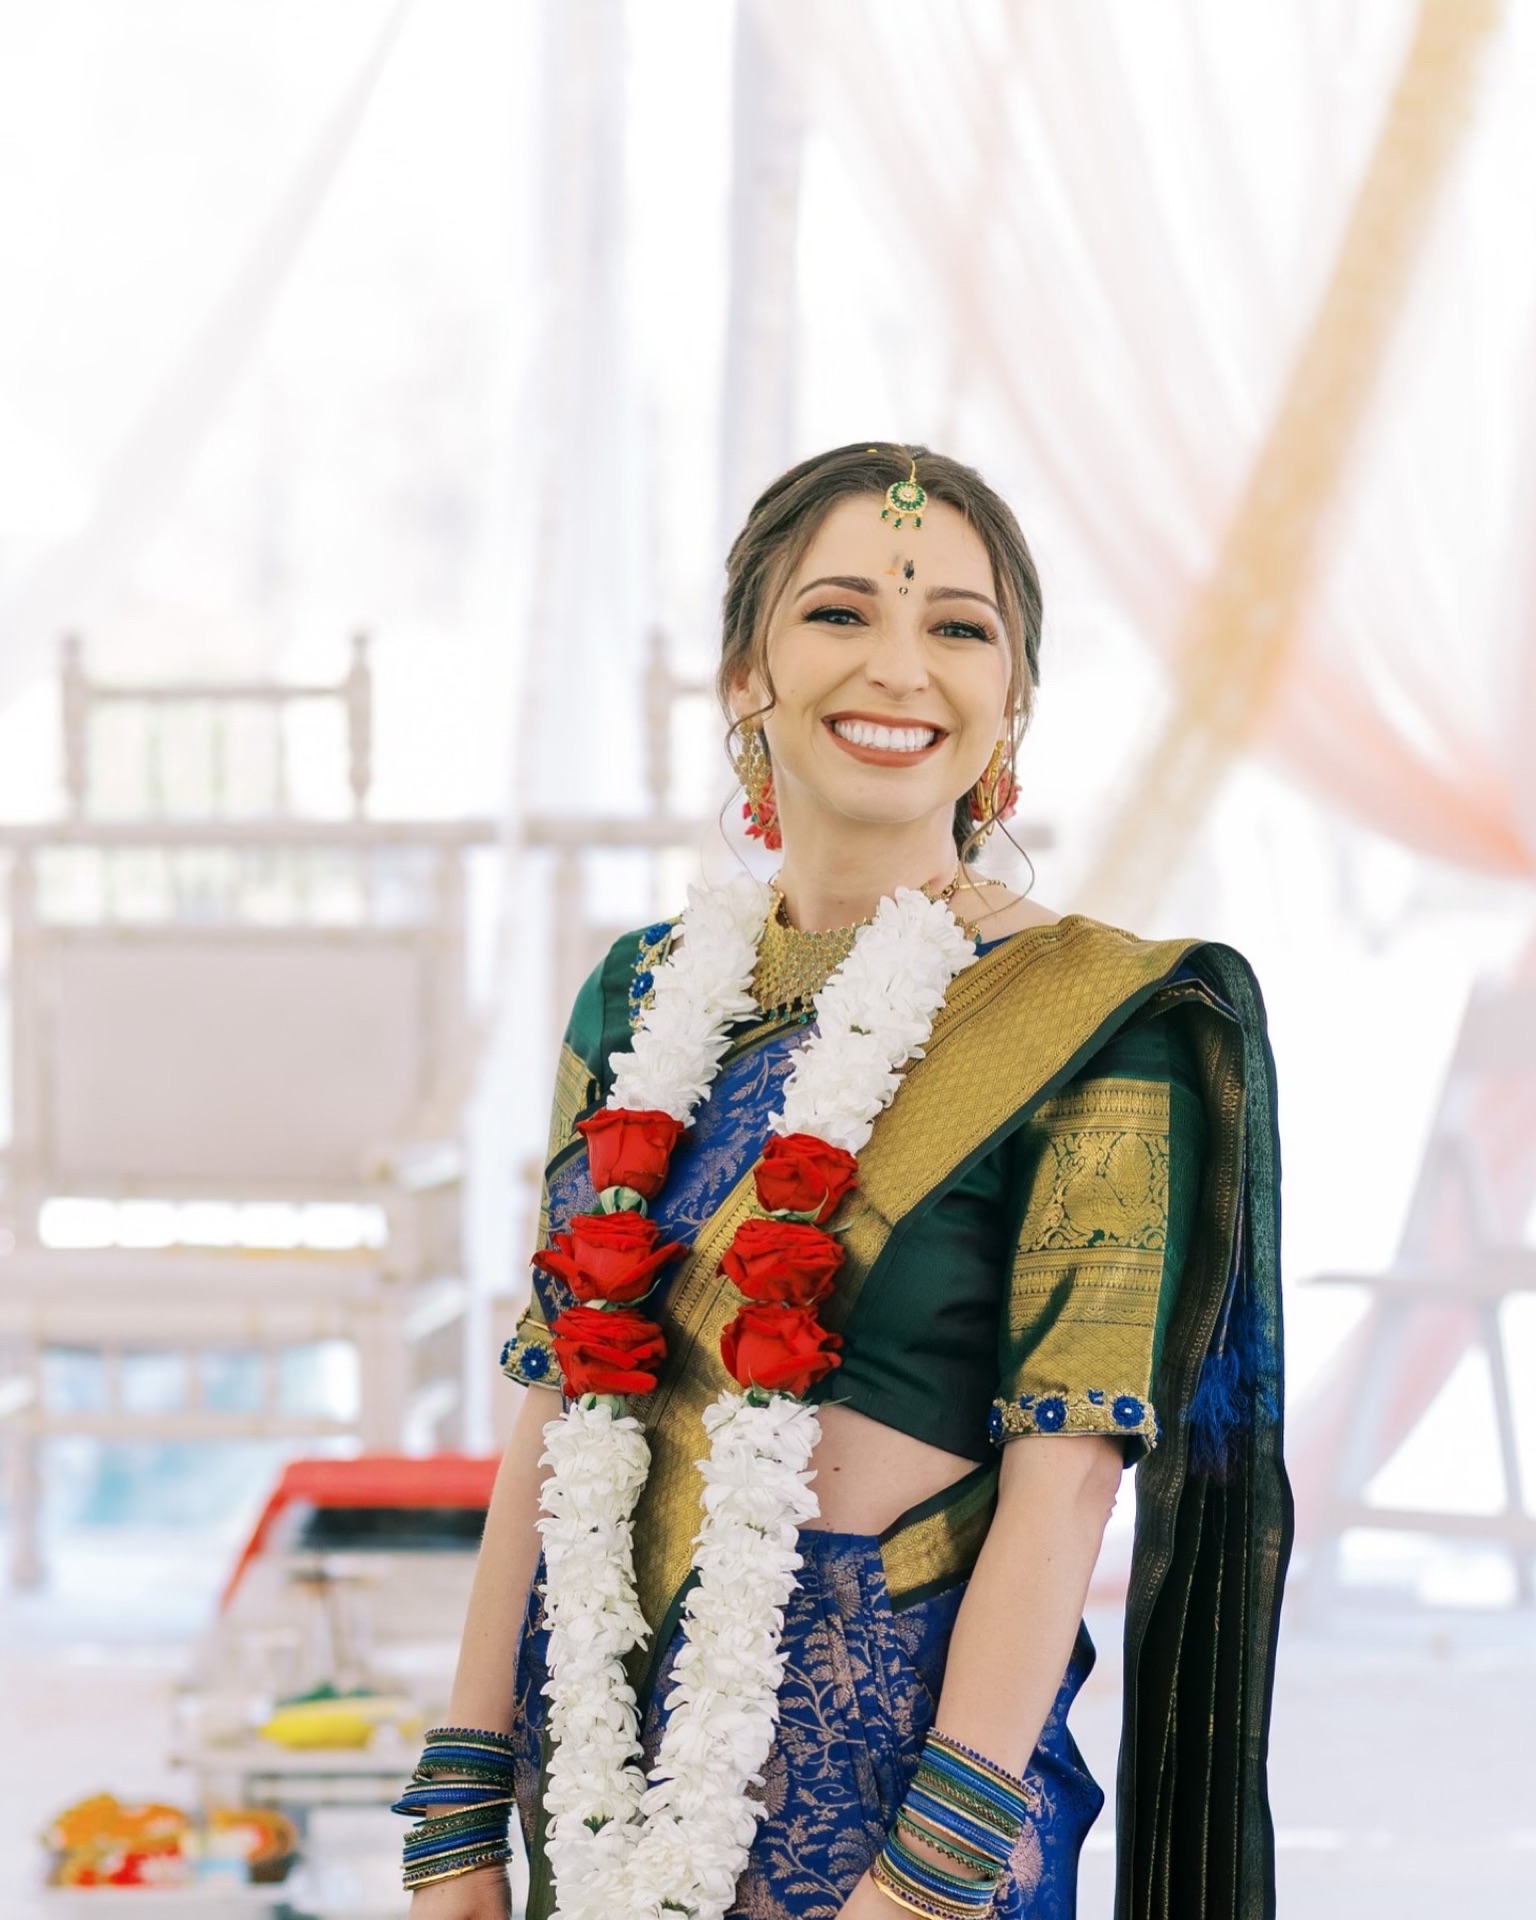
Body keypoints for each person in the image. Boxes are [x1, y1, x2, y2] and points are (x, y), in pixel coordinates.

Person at [396, 445, 1290, 1920]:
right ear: (745, 670)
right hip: (607, 1746)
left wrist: (926, 1880)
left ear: (1014, 702)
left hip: (897, 1771)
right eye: (838, 614)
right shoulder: (639, 998)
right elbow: (558, 1407)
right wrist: (457, 1813)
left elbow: (1065, 1487)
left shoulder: (1093, 1019)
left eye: (958, 626)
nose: (900, 667)